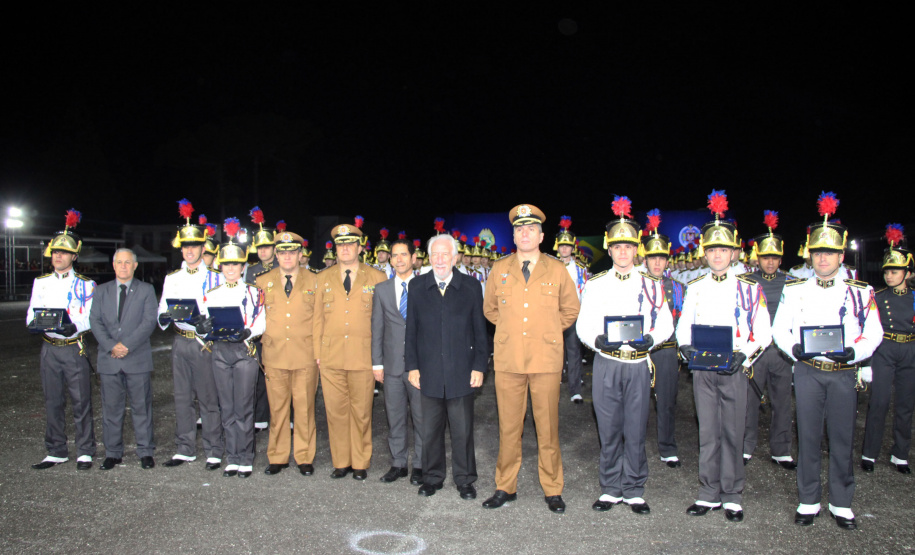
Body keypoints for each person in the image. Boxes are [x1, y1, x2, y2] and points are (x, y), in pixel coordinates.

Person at [772, 192, 882, 530]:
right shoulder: (795, 289)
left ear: (841, 255)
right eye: (818, 252)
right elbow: (779, 329)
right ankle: (808, 500)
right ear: (810, 255)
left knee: (842, 438)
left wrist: (855, 353)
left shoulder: (861, 291)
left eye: (830, 253)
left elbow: (874, 333)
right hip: (808, 371)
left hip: (843, 373)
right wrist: (794, 349)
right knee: (807, 437)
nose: (823, 258)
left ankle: (841, 502)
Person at [677, 191, 770, 523]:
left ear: (733, 253)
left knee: (733, 432)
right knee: (708, 432)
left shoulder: (750, 288)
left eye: (723, 250)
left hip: (734, 368)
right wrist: (685, 347)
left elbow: (764, 331)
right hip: (702, 370)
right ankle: (708, 492)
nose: (717, 255)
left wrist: (744, 355)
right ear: (705, 253)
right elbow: (684, 326)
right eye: (712, 250)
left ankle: (732, 494)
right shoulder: (695, 287)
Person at [482, 204, 581, 514]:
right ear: (513, 236)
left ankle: (553, 488)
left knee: (547, 428)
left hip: (545, 359)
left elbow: (571, 309)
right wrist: (512, 330)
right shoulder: (499, 269)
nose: (524, 234)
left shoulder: (557, 269)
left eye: (531, 229)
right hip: (509, 359)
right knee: (509, 427)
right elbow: (490, 309)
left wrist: (547, 330)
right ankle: (505, 486)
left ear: (541, 236)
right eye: (519, 229)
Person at [578, 198, 673, 515]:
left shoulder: (652, 285)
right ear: (609, 249)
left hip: (637, 365)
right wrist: (597, 341)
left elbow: (666, 323)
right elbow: (583, 325)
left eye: (628, 247)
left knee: (635, 428)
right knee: (608, 428)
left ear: (636, 250)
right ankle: (610, 488)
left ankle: (633, 488)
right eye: (617, 247)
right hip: (607, 363)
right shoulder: (595, 284)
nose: (622, 252)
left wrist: (652, 339)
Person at [404, 234, 489, 499]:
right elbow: (411, 331)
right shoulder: (417, 286)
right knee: (430, 430)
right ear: (429, 258)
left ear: (455, 258)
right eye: (435, 255)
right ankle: (432, 477)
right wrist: (412, 366)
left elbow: (480, 331)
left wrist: (479, 366)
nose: (440, 260)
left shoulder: (471, 286)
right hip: (428, 371)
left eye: (445, 255)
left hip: (462, 371)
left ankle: (465, 479)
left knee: (462, 430)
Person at [313, 219, 386, 480]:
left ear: (360, 247)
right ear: (335, 248)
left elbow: (382, 321)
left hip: (362, 356)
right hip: (331, 356)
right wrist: (317, 354)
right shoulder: (322, 278)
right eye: (340, 245)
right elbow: (317, 319)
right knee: (335, 412)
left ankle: (360, 462)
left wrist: (380, 358)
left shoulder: (377, 277)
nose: (345, 249)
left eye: (350, 244)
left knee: (362, 412)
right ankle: (341, 461)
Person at [27, 210, 96, 470]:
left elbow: (90, 318)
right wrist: (34, 325)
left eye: (64, 252)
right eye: (55, 251)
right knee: (52, 401)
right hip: (49, 348)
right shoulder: (41, 282)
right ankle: (56, 450)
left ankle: (85, 451)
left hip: (72, 348)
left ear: (74, 256)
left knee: (81, 401)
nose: (58, 256)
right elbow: (31, 313)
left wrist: (73, 327)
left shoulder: (86, 284)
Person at [158, 199, 224, 470]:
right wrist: (163, 318)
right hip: (180, 342)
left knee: (208, 399)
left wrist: (209, 324)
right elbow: (162, 309)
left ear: (203, 247)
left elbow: (222, 311)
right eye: (185, 246)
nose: (189, 250)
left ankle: (213, 449)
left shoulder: (217, 277)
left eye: (194, 246)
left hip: (203, 344)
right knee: (182, 398)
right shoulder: (172, 278)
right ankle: (185, 448)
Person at [197, 218, 266, 478]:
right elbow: (203, 326)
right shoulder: (211, 293)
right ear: (220, 265)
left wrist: (250, 332)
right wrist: (201, 326)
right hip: (220, 352)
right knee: (226, 406)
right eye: (226, 264)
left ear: (243, 266)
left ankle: (246, 457)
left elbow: (261, 321)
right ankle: (233, 456)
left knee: (244, 406)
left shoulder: (254, 292)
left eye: (235, 264)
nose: (230, 268)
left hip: (244, 352)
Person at [257, 230, 321, 477]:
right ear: (276, 254)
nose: (287, 256)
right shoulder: (262, 281)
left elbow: (319, 320)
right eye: (282, 252)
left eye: (292, 252)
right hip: (274, 354)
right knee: (278, 409)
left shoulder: (314, 280)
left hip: (305, 355)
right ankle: (278, 456)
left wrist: (319, 352)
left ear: (300, 254)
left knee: (304, 409)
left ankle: (304, 456)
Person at [741, 211, 801, 470]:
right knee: (749, 401)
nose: (770, 262)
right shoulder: (746, 282)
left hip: (782, 352)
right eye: (766, 257)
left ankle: (781, 450)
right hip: (756, 352)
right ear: (758, 257)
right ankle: (746, 446)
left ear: (780, 259)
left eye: (775, 258)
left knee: (782, 402)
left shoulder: (793, 282)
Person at [88, 248, 158, 470]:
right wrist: (112, 346)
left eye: (128, 262)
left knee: (141, 408)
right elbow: (95, 321)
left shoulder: (146, 290)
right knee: (111, 410)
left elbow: (149, 322)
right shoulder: (101, 291)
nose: (124, 266)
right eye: (119, 262)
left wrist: (126, 346)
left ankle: (145, 452)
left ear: (135, 265)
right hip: (109, 359)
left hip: (136, 358)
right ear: (113, 265)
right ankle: (113, 453)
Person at [862, 225, 915, 474]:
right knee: (879, 402)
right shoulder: (878, 297)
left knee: (905, 404)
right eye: (887, 271)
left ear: (908, 273)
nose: (889, 276)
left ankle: (900, 454)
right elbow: (868, 328)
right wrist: (865, 363)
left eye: (895, 271)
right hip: (885, 349)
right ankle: (869, 453)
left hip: (910, 350)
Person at [371, 238, 425, 486]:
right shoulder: (382, 289)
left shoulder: (425, 287)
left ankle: (421, 465)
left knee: (421, 418)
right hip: (391, 366)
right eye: (395, 255)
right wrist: (377, 364)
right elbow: (377, 328)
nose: (399, 259)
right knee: (395, 418)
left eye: (404, 254)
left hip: (420, 367)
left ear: (413, 258)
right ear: (390, 260)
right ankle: (398, 463)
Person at [640, 209, 687, 468]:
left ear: (667, 260)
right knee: (637, 402)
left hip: (667, 351)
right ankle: (635, 445)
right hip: (640, 351)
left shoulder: (679, 288)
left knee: (667, 401)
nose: (657, 263)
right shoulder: (635, 284)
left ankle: (667, 447)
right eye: (652, 258)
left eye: (661, 258)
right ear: (645, 259)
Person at [244, 208, 278, 434]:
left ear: (274, 248)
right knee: (258, 375)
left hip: (277, 328)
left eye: (267, 247)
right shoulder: (251, 271)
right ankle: (260, 417)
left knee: (279, 375)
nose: (263, 251)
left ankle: (283, 417)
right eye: (260, 247)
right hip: (258, 331)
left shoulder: (281, 267)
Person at [554, 215, 588, 404]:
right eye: (562, 246)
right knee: (554, 350)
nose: (565, 249)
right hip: (553, 314)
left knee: (574, 351)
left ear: (573, 248)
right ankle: (554, 382)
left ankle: (575, 390)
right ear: (557, 247)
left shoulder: (581, 269)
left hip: (573, 314)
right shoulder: (550, 267)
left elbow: (585, 293)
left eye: (568, 246)